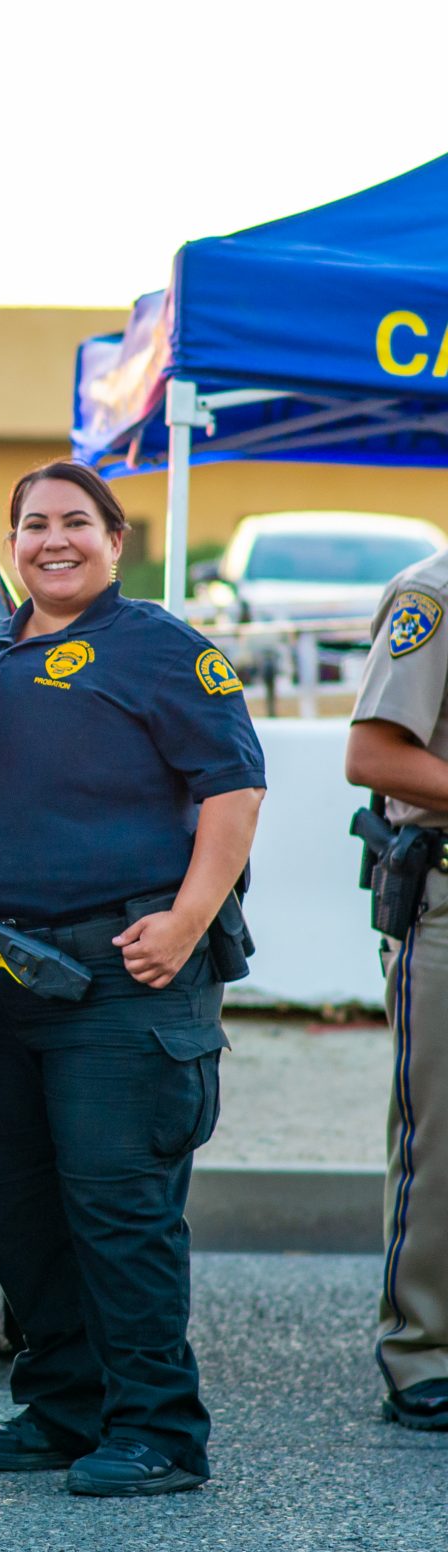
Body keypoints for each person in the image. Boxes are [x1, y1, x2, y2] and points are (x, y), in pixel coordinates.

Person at [0, 461, 264, 1497]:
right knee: (19, 1211)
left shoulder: (157, 645)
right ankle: (63, 1406)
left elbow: (233, 782)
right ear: (11, 542)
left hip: (120, 974)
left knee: (117, 1211)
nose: (51, 539)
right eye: (32, 524)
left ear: (115, 540)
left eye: (75, 521)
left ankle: (158, 1426)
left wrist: (188, 917)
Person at [344, 544, 448, 1433]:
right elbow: (374, 753)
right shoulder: (433, 593)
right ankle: (424, 1352)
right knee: (440, 1144)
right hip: (447, 903)